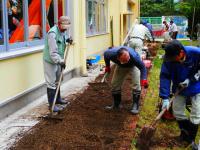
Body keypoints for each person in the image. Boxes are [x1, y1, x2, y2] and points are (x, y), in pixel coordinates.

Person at [160, 40, 200, 149]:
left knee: (196, 113)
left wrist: (191, 79)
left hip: (197, 86)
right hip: (179, 87)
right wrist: (165, 97)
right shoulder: (168, 59)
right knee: (177, 111)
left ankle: (190, 138)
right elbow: (165, 76)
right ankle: (184, 134)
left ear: (181, 52)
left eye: (173, 58)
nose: (171, 60)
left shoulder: (196, 53)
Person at [104, 46, 149, 114]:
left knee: (136, 84)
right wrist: (107, 66)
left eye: (128, 58)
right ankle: (117, 104)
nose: (127, 60)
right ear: (118, 58)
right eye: (125, 60)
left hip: (134, 65)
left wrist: (144, 79)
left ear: (128, 54)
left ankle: (135, 106)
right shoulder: (110, 53)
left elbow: (142, 67)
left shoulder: (134, 57)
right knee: (115, 83)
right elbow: (105, 55)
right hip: (121, 66)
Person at [43, 16, 73, 112]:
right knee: (51, 82)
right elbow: (53, 52)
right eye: (63, 27)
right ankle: (52, 105)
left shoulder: (62, 31)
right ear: (59, 24)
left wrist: (68, 40)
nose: (65, 29)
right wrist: (60, 61)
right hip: (50, 60)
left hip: (59, 59)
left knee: (58, 80)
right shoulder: (52, 33)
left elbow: (62, 39)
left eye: (66, 28)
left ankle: (58, 99)